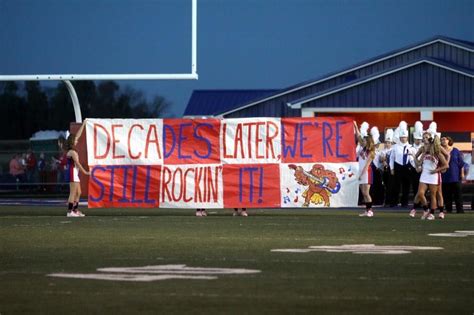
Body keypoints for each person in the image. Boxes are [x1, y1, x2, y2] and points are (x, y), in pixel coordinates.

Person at [411, 129, 448, 220]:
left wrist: (437, 170)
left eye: (426, 138)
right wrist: (413, 157)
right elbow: (418, 163)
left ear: (430, 140)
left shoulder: (437, 151)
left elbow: (446, 164)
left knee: (434, 195)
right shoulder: (423, 150)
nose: (424, 140)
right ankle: (426, 209)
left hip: (433, 175)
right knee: (420, 193)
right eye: (423, 138)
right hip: (424, 174)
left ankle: (432, 213)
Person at [65, 120, 90, 217]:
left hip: (75, 173)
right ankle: (69, 211)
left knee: (79, 192)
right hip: (72, 173)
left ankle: (75, 210)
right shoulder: (72, 152)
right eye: (75, 140)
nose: (77, 140)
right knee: (73, 192)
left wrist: (83, 124)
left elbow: (78, 135)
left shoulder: (73, 150)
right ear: (72, 141)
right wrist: (86, 172)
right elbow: (78, 164)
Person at [354, 121, 376, 217]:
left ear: (368, 142)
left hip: (367, 172)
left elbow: (367, 165)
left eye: (364, 141)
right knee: (363, 192)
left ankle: (370, 210)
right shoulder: (363, 148)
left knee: (366, 193)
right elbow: (358, 136)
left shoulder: (371, 152)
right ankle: (367, 210)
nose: (362, 141)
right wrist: (355, 125)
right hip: (361, 171)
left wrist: (361, 174)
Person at [389, 121, 413, 207]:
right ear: (399, 138)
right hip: (397, 167)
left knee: (406, 186)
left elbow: (412, 159)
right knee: (396, 186)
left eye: (405, 137)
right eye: (402, 137)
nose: (403, 139)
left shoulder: (410, 147)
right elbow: (391, 158)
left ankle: (404, 203)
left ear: (407, 138)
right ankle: (394, 202)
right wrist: (391, 168)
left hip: (407, 167)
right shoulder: (395, 147)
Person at [441, 136, 465, 213]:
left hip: (456, 176)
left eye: (444, 139)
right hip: (444, 176)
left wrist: (462, 173)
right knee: (447, 195)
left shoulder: (455, 150)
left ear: (449, 140)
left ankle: (460, 210)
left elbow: (461, 163)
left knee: (458, 194)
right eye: (441, 140)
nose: (443, 141)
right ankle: (449, 210)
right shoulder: (439, 152)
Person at [380, 129, 394, 207]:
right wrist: (383, 159)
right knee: (385, 186)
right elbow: (381, 159)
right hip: (385, 170)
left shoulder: (393, 150)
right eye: (386, 142)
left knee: (390, 186)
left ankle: (390, 201)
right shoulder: (383, 151)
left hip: (391, 169)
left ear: (391, 143)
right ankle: (386, 201)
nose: (387, 144)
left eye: (389, 143)